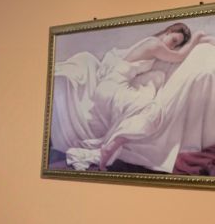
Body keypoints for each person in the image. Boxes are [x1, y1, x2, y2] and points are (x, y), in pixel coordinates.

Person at [54, 22, 215, 172]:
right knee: (151, 110)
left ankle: (108, 148)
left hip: (111, 87)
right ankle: (107, 150)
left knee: (147, 107)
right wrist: (196, 38)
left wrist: (204, 41)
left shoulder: (150, 44)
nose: (172, 46)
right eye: (173, 40)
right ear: (168, 31)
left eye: (175, 44)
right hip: (113, 88)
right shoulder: (154, 44)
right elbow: (178, 56)